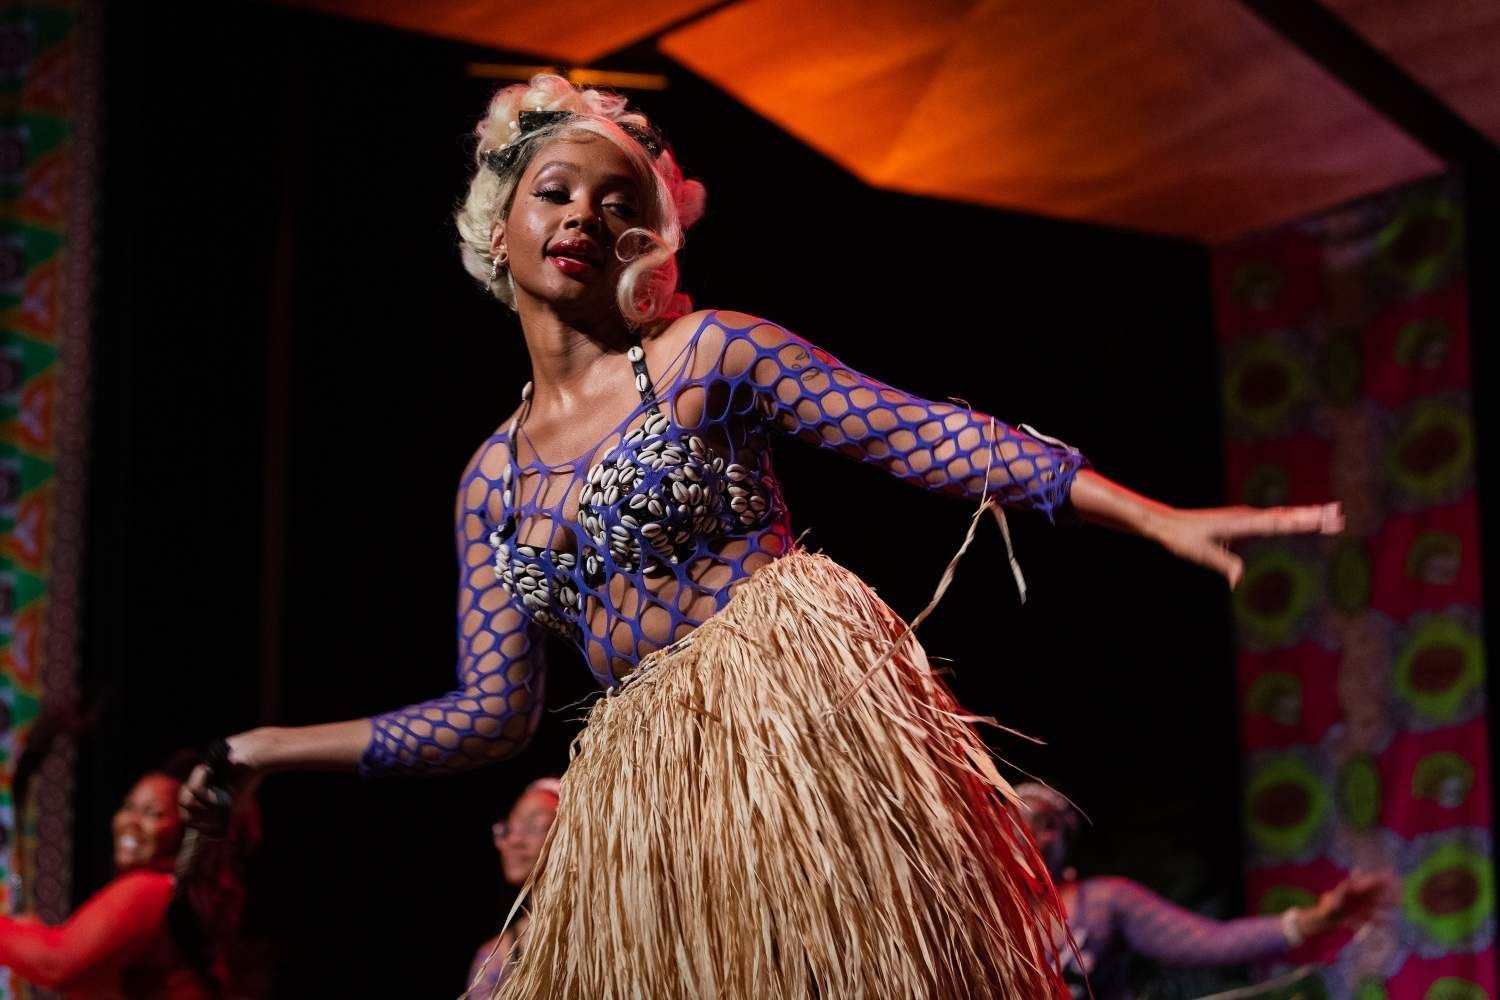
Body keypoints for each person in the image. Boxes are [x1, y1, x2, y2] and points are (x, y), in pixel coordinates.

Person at [180, 74, 1343, 998]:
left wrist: (1149, 511)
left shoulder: (708, 356)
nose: (586, 212)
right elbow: (491, 714)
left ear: (649, 236)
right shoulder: (490, 477)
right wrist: (267, 745)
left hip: (788, 730)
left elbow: (922, 435)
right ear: (498, 232)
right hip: (647, 791)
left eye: (615, 198)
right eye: (555, 191)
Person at [1015, 783, 1391, 999]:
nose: (1035, 833)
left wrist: (1319, 918)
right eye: (1021, 818)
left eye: (1049, 823)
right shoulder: (979, 919)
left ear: (1068, 839)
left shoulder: (1102, 901)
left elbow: (1213, 941)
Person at [1, 753, 255, 998]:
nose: (130, 821)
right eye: (128, 806)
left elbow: (56, 963)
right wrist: (33, 937)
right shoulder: (176, 898)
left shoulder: (152, 889)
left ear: (183, 831)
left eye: (153, 813)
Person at [465, 777, 561, 997]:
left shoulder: (609, 927)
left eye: (534, 826)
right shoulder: (496, 957)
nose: (515, 840)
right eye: (509, 828)